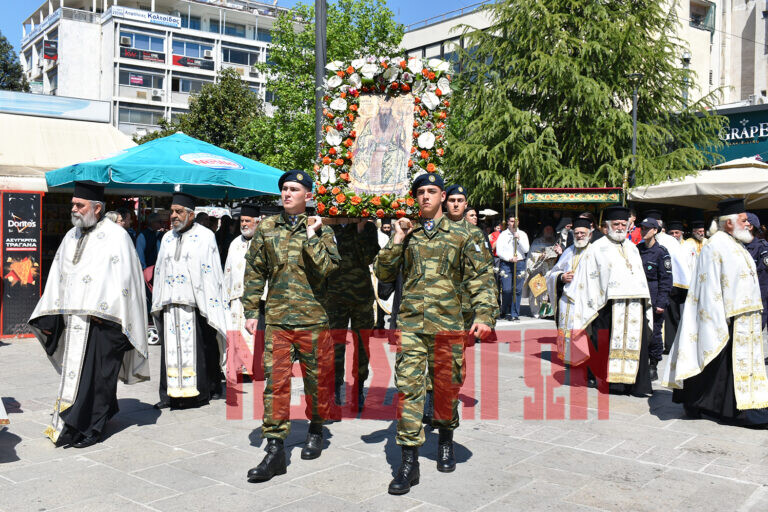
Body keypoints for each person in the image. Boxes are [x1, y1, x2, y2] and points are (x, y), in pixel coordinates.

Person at [375, 173, 497, 495]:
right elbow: (384, 273)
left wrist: (484, 315)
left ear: (443, 196)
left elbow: (481, 277)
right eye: (420, 192)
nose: (426, 197)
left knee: (445, 389)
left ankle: (445, 440)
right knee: (409, 390)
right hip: (412, 324)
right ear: (415, 198)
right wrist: (397, 238)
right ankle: (408, 461)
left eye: (432, 191)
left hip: (449, 326)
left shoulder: (464, 234)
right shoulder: (408, 233)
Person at [28, 181, 149, 448]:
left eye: (79, 205)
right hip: (75, 322)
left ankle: (91, 428)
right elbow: (58, 276)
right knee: (82, 377)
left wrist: (107, 313)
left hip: (105, 323)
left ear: (96, 208)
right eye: (73, 204)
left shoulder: (117, 236)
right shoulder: (72, 236)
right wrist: (50, 317)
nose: (74, 209)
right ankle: (78, 422)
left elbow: (126, 280)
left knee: (99, 378)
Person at [242, 170, 340, 482]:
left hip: (313, 319)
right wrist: (250, 308)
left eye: (294, 189)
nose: (287, 194)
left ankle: (316, 427)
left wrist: (312, 236)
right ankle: (274, 449)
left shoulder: (322, 230)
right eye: (284, 189)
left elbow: (326, 268)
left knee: (317, 381)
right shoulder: (267, 228)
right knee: (276, 383)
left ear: (308, 195)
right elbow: (255, 269)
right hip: (278, 320)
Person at [663, 198, 768, 426]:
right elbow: (708, 285)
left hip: (744, 317)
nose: (748, 224)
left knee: (727, 366)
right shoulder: (715, 246)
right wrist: (721, 317)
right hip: (727, 316)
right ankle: (732, 411)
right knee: (719, 364)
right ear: (729, 223)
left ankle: (729, 406)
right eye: (743, 220)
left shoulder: (736, 243)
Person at [563, 206, 653, 396]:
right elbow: (588, 281)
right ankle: (613, 384)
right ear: (607, 226)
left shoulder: (632, 248)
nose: (620, 227)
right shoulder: (596, 248)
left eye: (623, 224)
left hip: (635, 306)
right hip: (608, 308)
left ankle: (635, 384)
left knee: (637, 344)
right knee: (605, 344)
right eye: (616, 224)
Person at [151, 191, 227, 410]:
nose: (173, 215)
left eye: (178, 211)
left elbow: (210, 271)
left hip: (195, 305)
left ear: (191, 214)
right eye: (172, 211)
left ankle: (197, 394)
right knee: (169, 353)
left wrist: (209, 304)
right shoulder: (167, 237)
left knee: (199, 350)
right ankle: (169, 395)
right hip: (169, 303)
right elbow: (160, 270)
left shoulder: (205, 236)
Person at [325, 217, 379, 409]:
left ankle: (358, 388)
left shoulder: (368, 227)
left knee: (362, 345)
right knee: (335, 346)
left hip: (361, 296)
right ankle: (336, 388)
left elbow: (368, 258)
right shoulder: (327, 227)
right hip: (334, 297)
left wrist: (361, 228)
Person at [223, 204, 264, 382]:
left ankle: (256, 370)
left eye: (248, 221)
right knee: (236, 334)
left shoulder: (263, 242)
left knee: (256, 336)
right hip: (236, 297)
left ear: (257, 222)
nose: (244, 224)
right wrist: (225, 294)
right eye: (242, 221)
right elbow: (228, 270)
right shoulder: (235, 243)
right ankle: (239, 370)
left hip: (258, 298)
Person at [643, 210, 691, 353]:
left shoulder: (668, 241)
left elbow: (678, 264)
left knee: (670, 317)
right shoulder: (642, 242)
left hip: (670, 284)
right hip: (651, 287)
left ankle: (670, 345)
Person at [546, 218, 592, 364]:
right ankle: (568, 358)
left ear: (590, 235)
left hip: (586, 300)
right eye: (577, 233)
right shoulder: (568, 251)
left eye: (583, 233)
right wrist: (562, 277)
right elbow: (552, 273)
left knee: (583, 333)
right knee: (567, 332)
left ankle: (584, 360)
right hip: (567, 300)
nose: (579, 236)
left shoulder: (595, 252)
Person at [636, 218, 673, 381]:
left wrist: (661, 302)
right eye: (642, 228)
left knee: (655, 333)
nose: (644, 231)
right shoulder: (637, 249)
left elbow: (666, 279)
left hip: (654, 297)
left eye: (647, 229)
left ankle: (653, 364)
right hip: (638, 297)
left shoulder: (661, 253)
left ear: (655, 231)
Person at [496, 215, 529, 321]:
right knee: (506, 289)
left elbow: (526, 249)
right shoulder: (503, 235)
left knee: (518, 289)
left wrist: (518, 238)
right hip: (507, 263)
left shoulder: (522, 234)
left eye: (516, 221)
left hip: (519, 263)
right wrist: (509, 258)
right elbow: (499, 251)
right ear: (508, 223)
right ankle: (504, 309)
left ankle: (515, 313)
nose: (514, 223)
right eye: (511, 221)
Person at [525, 222, 562, 318]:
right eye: (547, 229)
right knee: (538, 292)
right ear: (543, 231)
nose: (549, 231)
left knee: (549, 293)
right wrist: (541, 255)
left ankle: (547, 312)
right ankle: (538, 312)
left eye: (551, 230)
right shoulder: (537, 242)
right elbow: (532, 255)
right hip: (539, 271)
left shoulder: (556, 241)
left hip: (552, 270)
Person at [745, 212, 768, 330]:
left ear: (750, 227)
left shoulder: (762, 248)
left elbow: (763, 282)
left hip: (756, 301)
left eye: (743, 222)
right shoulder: (738, 246)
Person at [374, 220, 394, 330]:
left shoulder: (385, 238)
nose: (387, 230)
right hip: (371, 271)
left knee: (380, 299)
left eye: (388, 228)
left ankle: (379, 323)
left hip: (381, 272)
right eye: (384, 227)